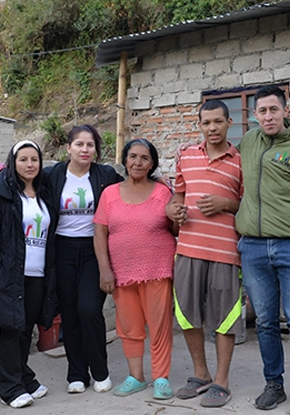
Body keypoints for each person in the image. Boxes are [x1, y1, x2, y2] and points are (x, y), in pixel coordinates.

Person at [236, 85, 290, 415]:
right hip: (254, 247)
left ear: (286, 111)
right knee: (265, 322)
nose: (268, 116)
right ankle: (274, 384)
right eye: (262, 111)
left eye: (274, 109)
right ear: (254, 115)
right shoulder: (248, 142)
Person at [166, 100, 243, 408]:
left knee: (225, 318)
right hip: (188, 248)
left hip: (225, 251)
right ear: (199, 125)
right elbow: (177, 197)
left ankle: (222, 381)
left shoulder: (241, 161)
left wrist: (226, 204)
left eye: (218, 122)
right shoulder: (186, 156)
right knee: (187, 313)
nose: (212, 128)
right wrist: (174, 211)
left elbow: (249, 205)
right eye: (206, 122)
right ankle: (201, 374)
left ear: (229, 123)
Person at [93, 138, 177, 401]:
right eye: (133, 156)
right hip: (122, 272)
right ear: (125, 160)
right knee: (128, 326)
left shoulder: (162, 192)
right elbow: (100, 233)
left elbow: (175, 228)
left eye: (144, 158)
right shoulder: (109, 194)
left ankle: (161, 378)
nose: (138, 162)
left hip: (157, 268)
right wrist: (105, 270)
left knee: (159, 325)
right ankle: (136, 377)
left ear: (152, 164)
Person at [0, 140, 57, 408]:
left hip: (38, 274)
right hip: (11, 274)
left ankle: (24, 378)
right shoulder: (2, 195)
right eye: (23, 159)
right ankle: (10, 389)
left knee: (25, 329)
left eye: (34, 159)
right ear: (13, 163)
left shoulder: (44, 194)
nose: (29, 164)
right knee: (11, 330)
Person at [43, 125, 123, 394]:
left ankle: (100, 371)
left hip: (94, 248)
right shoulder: (53, 175)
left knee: (89, 309)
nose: (85, 149)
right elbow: (22, 182)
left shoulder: (106, 175)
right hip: (62, 249)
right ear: (69, 148)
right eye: (79, 144)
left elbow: (131, 186)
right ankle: (76, 373)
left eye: (90, 145)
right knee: (69, 313)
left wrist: (160, 183)